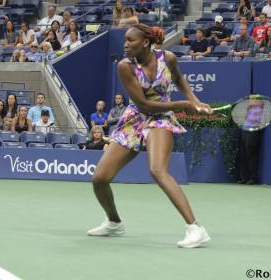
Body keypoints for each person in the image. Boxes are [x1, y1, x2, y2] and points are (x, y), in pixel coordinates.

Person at [87, 24, 212, 248]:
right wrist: (183, 104)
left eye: (130, 40)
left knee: (157, 170)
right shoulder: (125, 66)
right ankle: (114, 222)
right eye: (124, 40)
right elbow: (144, 105)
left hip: (161, 118)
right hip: (137, 116)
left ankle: (195, 228)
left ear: (145, 42)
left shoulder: (169, 58)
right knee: (99, 178)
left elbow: (179, 80)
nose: (125, 44)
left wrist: (194, 101)